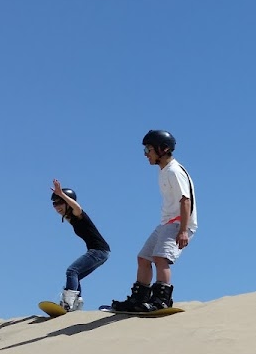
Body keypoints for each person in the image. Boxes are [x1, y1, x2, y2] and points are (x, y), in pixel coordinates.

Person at [111, 130, 197, 312]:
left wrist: (183, 230)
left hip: (178, 223)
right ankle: (139, 298)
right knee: (143, 258)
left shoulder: (174, 171)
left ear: (163, 149)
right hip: (166, 223)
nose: (146, 154)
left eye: (148, 150)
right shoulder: (164, 171)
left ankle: (161, 300)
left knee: (160, 258)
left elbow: (185, 200)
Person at [51, 180, 111, 311]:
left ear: (68, 202)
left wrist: (61, 193)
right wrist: (60, 197)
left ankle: (68, 304)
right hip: (101, 252)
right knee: (75, 275)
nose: (56, 206)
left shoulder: (77, 214)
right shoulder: (70, 218)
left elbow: (77, 207)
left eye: (59, 202)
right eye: (54, 204)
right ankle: (76, 303)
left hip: (99, 251)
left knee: (72, 271)